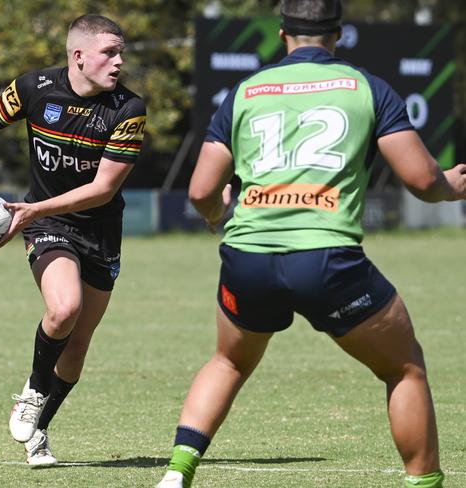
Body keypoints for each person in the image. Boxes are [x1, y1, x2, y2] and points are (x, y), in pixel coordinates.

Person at [156, 1, 466, 487]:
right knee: (404, 368)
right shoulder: (365, 87)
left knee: (229, 361)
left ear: (282, 33)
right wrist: (449, 184)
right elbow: (422, 181)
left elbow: (199, 191)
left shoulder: (246, 91)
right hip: (327, 261)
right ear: (338, 35)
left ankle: (176, 473)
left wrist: (220, 215)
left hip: (248, 258)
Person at [0, 14, 145, 467]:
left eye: (121, 54)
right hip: (46, 226)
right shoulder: (35, 88)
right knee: (64, 308)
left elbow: (103, 189)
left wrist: (33, 209)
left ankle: (38, 431)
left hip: (98, 231)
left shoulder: (128, 109)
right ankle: (34, 391)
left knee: (77, 349)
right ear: (79, 56)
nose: (118, 62)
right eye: (109, 53)